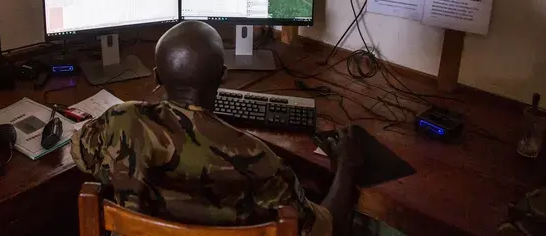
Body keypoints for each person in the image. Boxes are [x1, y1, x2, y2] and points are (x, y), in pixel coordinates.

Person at [71, 21, 362, 235]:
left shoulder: (121, 121)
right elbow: (325, 227)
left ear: (157, 76)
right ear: (224, 76)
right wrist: (347, 166)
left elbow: (79, 150)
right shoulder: (261, 161)